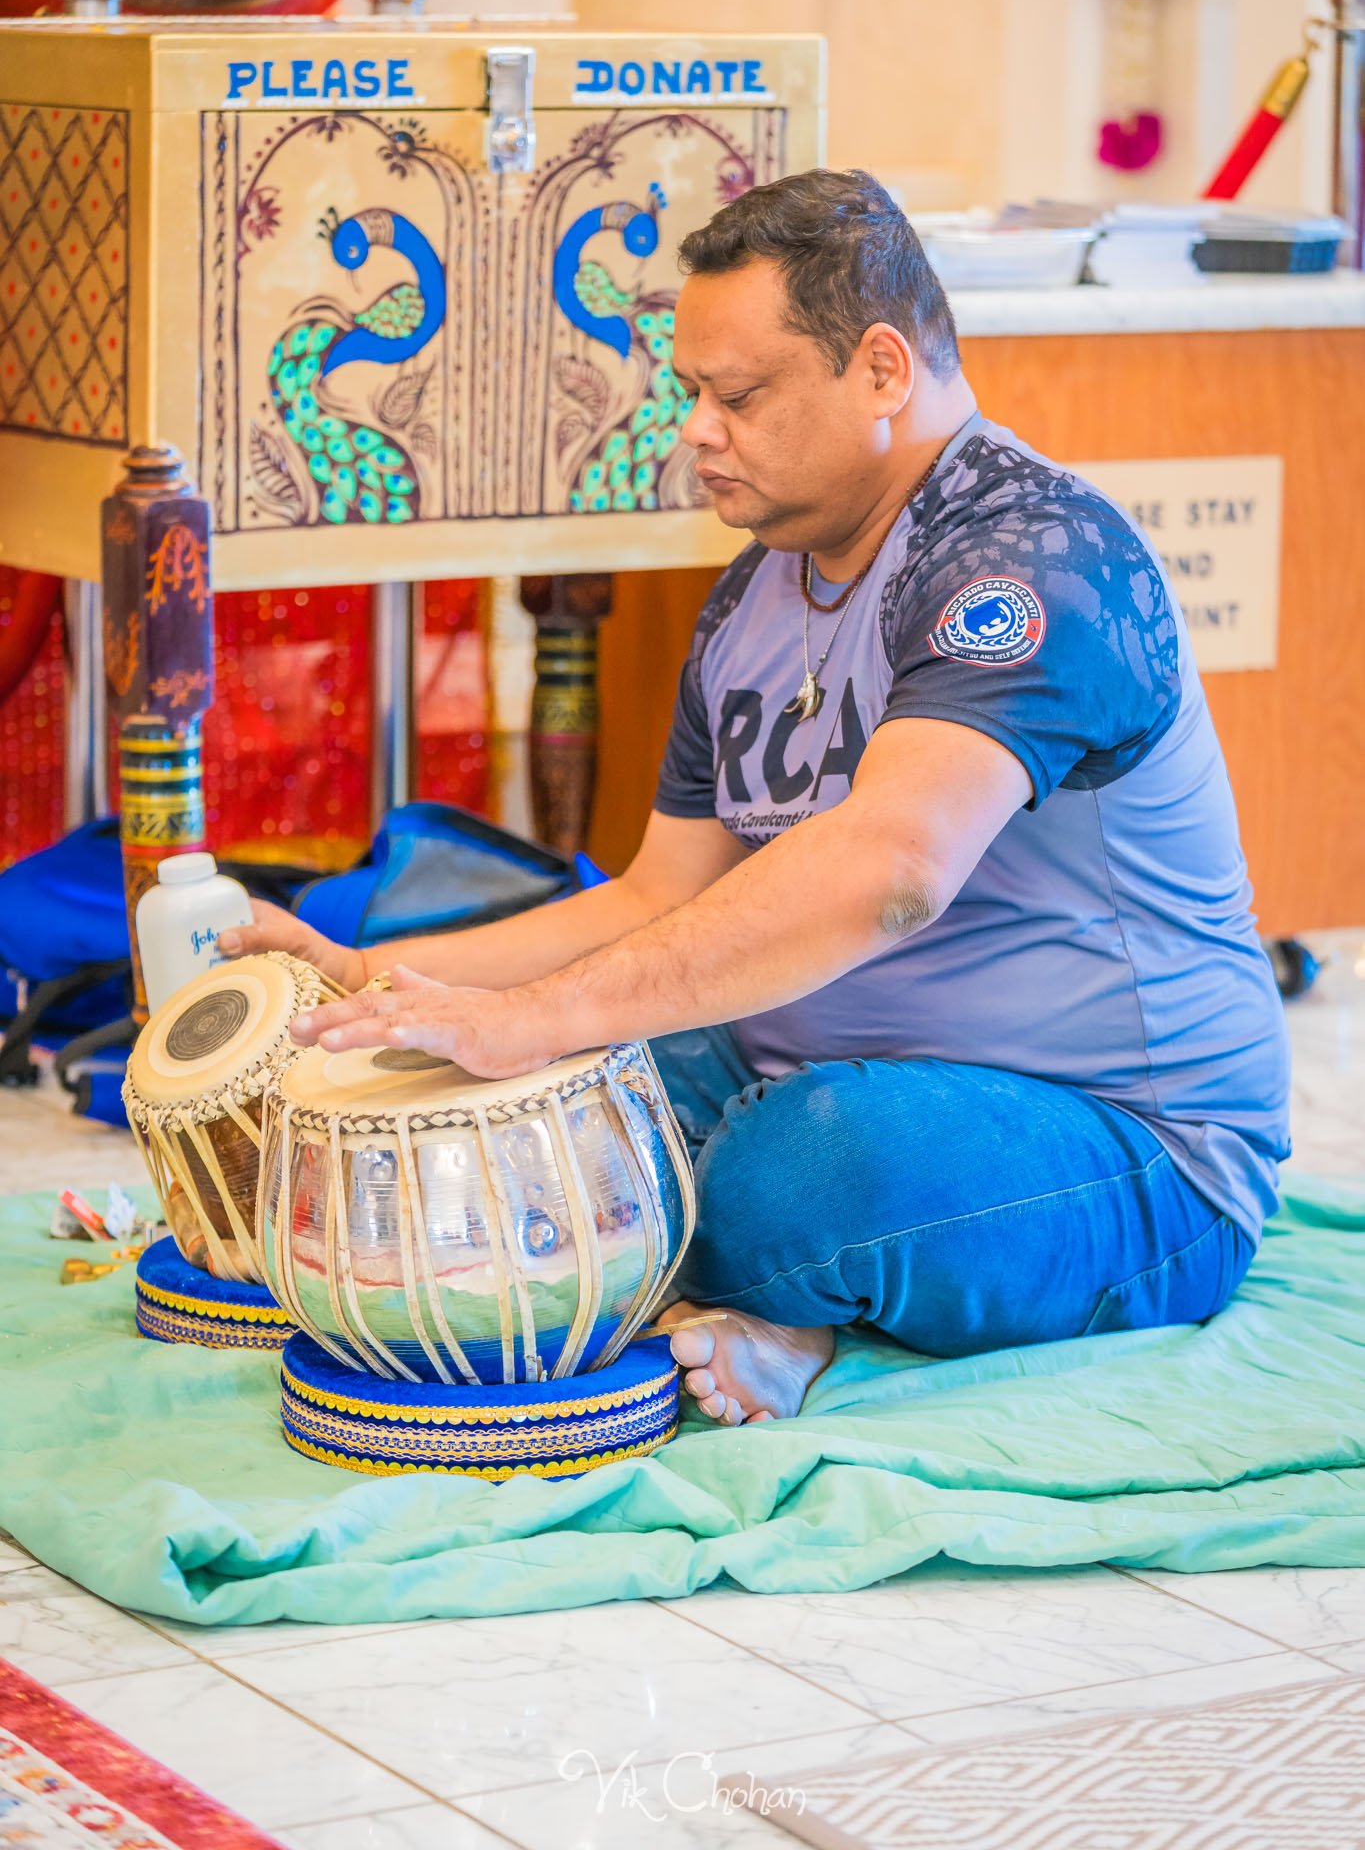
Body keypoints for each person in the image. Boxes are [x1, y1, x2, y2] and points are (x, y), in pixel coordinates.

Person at [222, 169, 1291, 1428]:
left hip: (1130, 1149)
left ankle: (791, 1306)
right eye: (691, 393)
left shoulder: (1034, 558)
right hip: (803, 1065)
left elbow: (888, 870)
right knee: (537, 1088)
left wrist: (542, 1017)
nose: (695, 431)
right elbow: (656, 896)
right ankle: (741, 1270)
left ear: (883, 371)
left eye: (737, 396)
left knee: (804, 1162)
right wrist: (379, 980)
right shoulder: (750, 598)